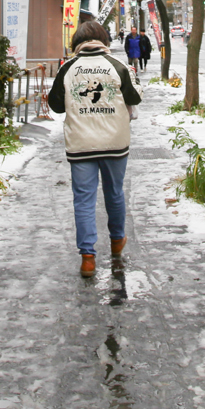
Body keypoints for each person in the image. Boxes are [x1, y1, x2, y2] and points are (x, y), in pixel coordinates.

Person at [48, 20, 142, 277]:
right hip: (115, 142)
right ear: (104, 40)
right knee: (114, 193)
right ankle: (116, 242)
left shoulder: (68, 68)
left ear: (76, 43)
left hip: (80, 144)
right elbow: (134, 97)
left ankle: (88, 257)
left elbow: (55, 105)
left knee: (84, 199)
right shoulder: (118, 66)